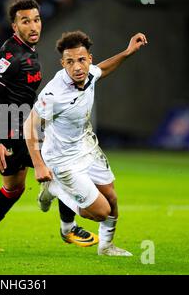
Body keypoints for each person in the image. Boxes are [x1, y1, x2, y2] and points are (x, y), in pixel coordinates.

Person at [0, 0, 97, 251]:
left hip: (21, 127)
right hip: (11, 131)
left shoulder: (27, 51)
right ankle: (68, 227)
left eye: (36, 19)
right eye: (26, 21)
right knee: (62, 163)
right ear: (15, 26)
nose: (33, 26)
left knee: (13, 189)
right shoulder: (11, 57)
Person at [24, 30, 147, 256]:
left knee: (112, 198)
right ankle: (54, 189)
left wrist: (128, 52)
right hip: (62, 159)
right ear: (63, 64)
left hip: (87, 147)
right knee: (101, 212)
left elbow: (104, 69)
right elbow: (29, 126)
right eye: (70, 62)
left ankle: (106, 246)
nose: (77, 67)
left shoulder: (90, 72)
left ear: (89, 59)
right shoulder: (54, 94)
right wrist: (39, 165)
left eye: (81, 60)